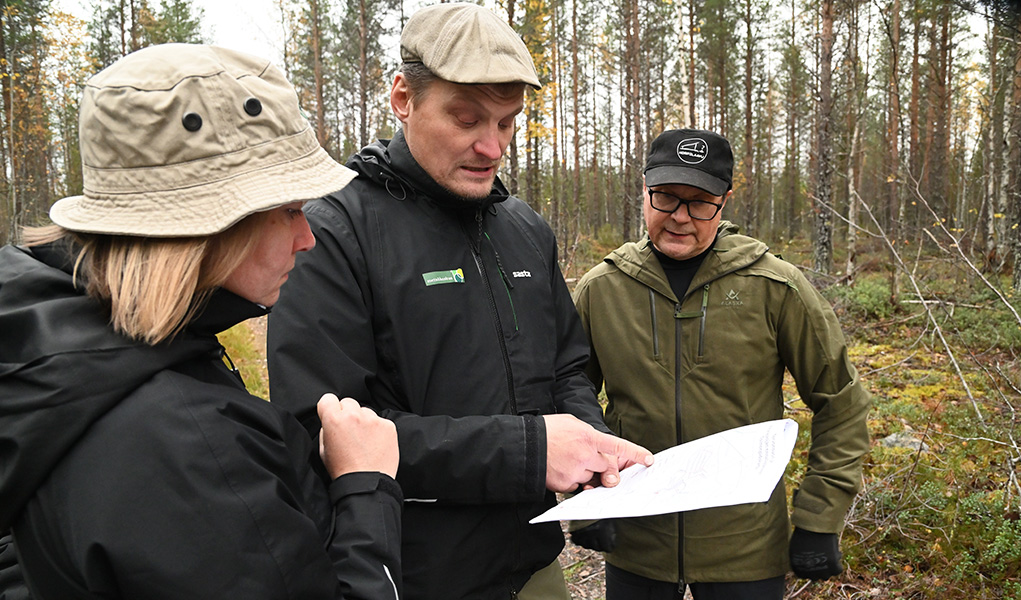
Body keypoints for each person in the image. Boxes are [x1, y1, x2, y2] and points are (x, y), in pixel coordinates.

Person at [266, 3, 654, 599]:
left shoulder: (523, 227)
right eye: (467, 118)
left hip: (533, 565)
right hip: (413, 572)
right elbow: (325, 430)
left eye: (507, 122)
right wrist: (531, 452)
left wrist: (591, 450)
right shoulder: (334, 230)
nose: (491, 146)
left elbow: (567, 367)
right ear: (403, 98)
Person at [0, 44, 402, 600]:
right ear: (209, 227)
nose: (307, 238)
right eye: (289, 211)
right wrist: (367, 486)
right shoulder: (187, 445)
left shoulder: (51, 344)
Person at [569, 128, 871, 599]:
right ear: (644, 190)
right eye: (666, 197)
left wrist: (820, 515)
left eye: (700, 202)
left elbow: (841, 401)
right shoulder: (601, 289)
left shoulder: (774, 287)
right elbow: (570, 400)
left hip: (745, 548)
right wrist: (589, 500)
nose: (681, 217)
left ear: (724, 202)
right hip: (637, 542)